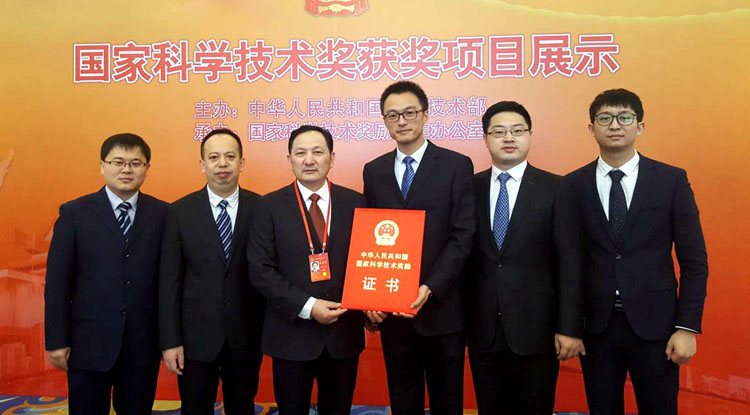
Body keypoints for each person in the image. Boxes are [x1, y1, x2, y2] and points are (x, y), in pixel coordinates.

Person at [566, 89, 709, 414]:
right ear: (591, 128)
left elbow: (694, 261)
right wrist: (569, 326)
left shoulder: (671, 180)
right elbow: (568, 262)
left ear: (640, 126)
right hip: (596, 327)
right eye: (605, 118)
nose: (615, 125)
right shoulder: (572, 185)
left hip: (656, 327)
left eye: (625, 117)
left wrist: (687, 327)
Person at [362, 81, 475, 415]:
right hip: (394, 314)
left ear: (425, 115)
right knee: (403, 399)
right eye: (392, 115)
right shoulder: (374, 171)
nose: (402, 121)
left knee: (447, 401)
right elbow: (371, 238)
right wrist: (371, 297)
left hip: (442, 308)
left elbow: (463, 235)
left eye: (409, 112)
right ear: (385, 121)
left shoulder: (456, 165)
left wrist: (430, 287)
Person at [464, 101, 585, 414]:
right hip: (483, 330)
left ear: (529, 135)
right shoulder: (469, 188)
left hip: (537, 331)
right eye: (499, 132)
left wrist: (570, 327)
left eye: (517, 131)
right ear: (485, 139)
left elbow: (571, 263)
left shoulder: (558, 188)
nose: (508, 138)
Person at [44, 133, 168, 415]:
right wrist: (56, 340)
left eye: (135, 163)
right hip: (88, 344)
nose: (126, 170)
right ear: (102, 166)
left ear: (147, 168)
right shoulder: (75, 213)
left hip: (142, 345)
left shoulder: (163, 214)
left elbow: (168, 282)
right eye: (118, 162)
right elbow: (58, 283)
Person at [248, 125, 364, 415]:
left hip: (343, 334)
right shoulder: (268, 206)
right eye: (300, 153)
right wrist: (309, 307)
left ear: (331, 158)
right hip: (290, 336)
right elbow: (261, 270)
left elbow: (367, 260)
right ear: (289, 160)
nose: (309, 160)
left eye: (317, 152)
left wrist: (372, 302)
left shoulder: (357, 203)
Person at [159, 128, 265, 415]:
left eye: (230, 157)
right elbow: (169, 283)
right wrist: (170, 341)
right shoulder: (179, 212)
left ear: (241, 162)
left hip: (246, 336)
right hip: (194, 341)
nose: (222, 164)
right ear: (202, 164)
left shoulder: (262, 208)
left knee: (242, 408)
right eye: (214, 157)